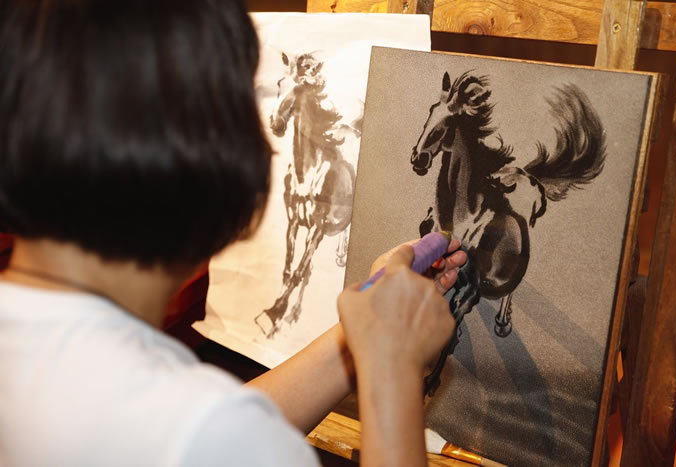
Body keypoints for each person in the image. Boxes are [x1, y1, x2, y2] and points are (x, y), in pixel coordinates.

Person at [0, 1, 465, 466]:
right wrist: (393, 372)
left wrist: (363, 336)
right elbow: (216, 438)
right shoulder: (206, 434)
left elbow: (220, 433)